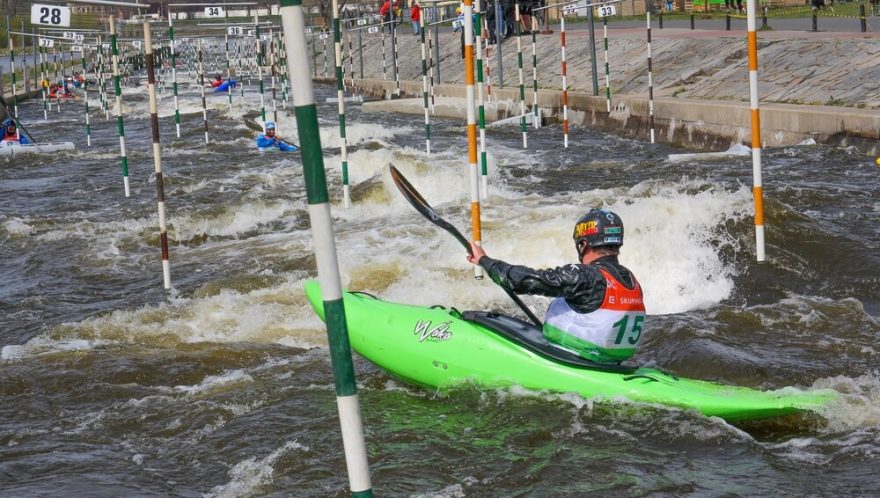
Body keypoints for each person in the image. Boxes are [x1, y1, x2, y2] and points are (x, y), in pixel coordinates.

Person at [466, 209, 646, 364]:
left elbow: (524, 281)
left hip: (573, 360)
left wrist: (484, 260)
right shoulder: (631, 280)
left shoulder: (585, 275)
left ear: (583, 245)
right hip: (611, 363)